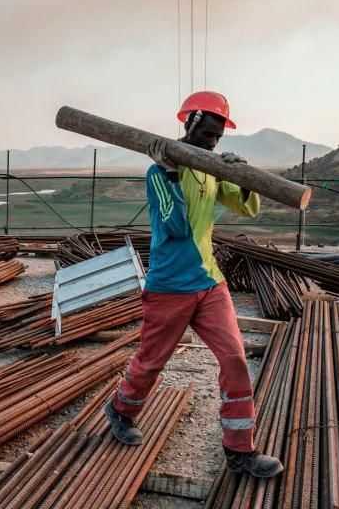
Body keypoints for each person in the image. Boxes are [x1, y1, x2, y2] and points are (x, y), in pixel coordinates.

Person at [103, 91, 284, 479]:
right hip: (170, 285)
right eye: (208, 134)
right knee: (152, 362)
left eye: (218, 136)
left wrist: (240, 176)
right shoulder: (157, 174)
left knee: (235, 359)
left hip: (209, 281)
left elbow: (246, 207)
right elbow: (175, 226)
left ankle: (240, 451)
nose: (213, 142)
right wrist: (170, 173)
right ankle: (120, 410)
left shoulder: (210, 168)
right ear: (191, 123)